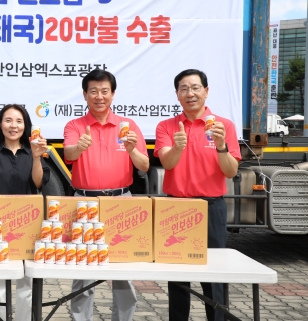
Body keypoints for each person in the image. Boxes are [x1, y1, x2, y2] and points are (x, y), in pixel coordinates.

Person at [154, 69, 241, 321]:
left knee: (214, 275)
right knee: (178, 278)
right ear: (177, 94)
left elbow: (230, 171)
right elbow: (167, 163)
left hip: (211, 207)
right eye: (184, 89)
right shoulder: (167, 126)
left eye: (195, 87)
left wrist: (221, 147)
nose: (190, 93)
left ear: (206, 91)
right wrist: (177, 147)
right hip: (177, 208)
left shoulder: (224, 126)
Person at [63, 69, 149, 321]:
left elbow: (144, 165)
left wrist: (132, 150)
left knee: (123, 266)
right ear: (84, 94)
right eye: (93, 91)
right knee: (83, 266)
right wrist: (79, 147)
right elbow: (68, 154)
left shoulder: (127, 126)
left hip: (121, 201)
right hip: (85, 201)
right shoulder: (75, 125)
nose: (99, 97)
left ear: (113, 94)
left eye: (104, 91)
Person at [0, 104, 50, 321]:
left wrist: (36, 157)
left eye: (19, 121)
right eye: (8, 120)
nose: (13, 126)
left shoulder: (33, 151)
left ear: (25, 126)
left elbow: (39, 182)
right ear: (0, 124)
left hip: (28, 225)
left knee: (26, 285)